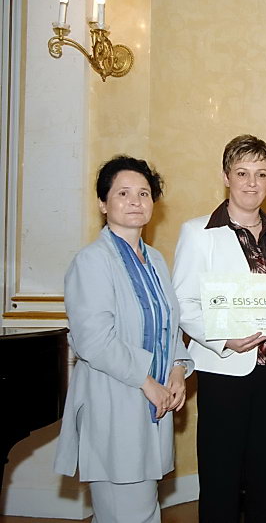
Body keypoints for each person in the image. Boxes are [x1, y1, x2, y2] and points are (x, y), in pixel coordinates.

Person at [172, 135, 266, 522]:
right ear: (226, 177)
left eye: (261, 174)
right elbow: (182, 303)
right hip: (224, 369)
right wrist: (224, 339)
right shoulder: (198, 232)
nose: (252, 183)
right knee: (220, 476)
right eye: (242, 173)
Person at [54, 156, 193, 523]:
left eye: (144, 193)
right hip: (114, 400)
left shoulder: (156, 260)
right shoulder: (92, 261)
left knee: (139, 509)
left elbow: (169, 324)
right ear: (103, 203)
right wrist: (148, 382)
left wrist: (178, 370)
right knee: (128, 511)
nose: (135, 201)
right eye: (123, 193)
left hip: (153, 403)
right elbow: (93, 340)